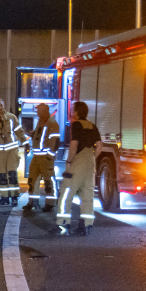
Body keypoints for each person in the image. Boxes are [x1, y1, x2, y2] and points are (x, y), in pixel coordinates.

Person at [55, 101, 102, 235]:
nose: (71, 111)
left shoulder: (76, 125)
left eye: (72, 109)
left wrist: (69, 161)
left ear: (76, 112)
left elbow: (74, 144)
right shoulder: (92, 125)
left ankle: (63, 225)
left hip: (79, 160)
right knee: (87, 195)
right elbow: (99, 145)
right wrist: (92, 158)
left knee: (66, 191)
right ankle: (86, 226)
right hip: (90, 161)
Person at [0, 98, 27, 206]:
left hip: (11, 150)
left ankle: (14, 197)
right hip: (0, 152)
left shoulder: (11, 118)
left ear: (4, 105)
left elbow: (19, 131)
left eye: (1, 105)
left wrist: (25, 143)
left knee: (12, 174)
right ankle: (4, 198)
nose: (0, 107)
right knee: (2, 175)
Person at [23, 103, 59, 212]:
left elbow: (54, 142)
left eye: (39, 110)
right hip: (37, 157)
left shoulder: (52, 124)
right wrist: (33, 134)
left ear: (45, 111)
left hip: (45, 158)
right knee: (32, 180)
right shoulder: (40, 122)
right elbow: (41, 136)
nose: (37, 112)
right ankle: (32, 202)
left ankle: (50, 203)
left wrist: (49, 156)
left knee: (48, 181)